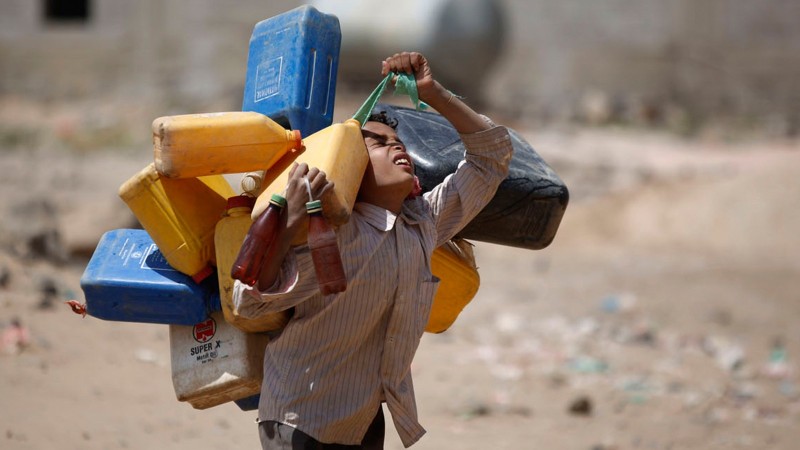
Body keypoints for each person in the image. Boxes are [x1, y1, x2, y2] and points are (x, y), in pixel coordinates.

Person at [233, 52, 513, 449]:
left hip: (365, 422)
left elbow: (492, 157)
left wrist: (433, 92)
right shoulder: (334, 233)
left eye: (398, 143)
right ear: (352, 167)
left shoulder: (422, 223)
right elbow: (248, 302)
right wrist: (290, 224)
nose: (398, 149)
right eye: (378, 144)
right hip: (299, 420)